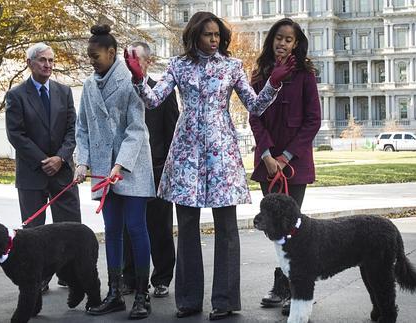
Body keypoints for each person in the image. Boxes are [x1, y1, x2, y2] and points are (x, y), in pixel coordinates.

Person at [125, 11, 295, 321]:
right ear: (194, 36)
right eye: (208, 34)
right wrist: (138, 79)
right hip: (186, 155)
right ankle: (188, 300)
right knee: (187, 227)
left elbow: (255, 106)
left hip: (222, 156)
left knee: (227, 229)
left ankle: (226, 300)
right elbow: (153, 100)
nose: (214, 39)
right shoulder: (178, 66)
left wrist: (272, 84)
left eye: (217, 34)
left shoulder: (231, 67)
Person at [74, 25, 155, 320]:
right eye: (89, 57)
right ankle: (115, 293)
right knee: (112, 231)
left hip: (131, 168)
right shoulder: (87, 85)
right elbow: (82, 128)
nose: (91, 61)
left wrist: (119, 165)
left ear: (111, 53)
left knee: (135, 227)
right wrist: (82, 162)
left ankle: (143, 295)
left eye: (95, 56)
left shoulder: (131, 81)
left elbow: (136, 129)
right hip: (102, 170)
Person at [249, 18, 321, 316]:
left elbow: (312, 121)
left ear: (296, 44)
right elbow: (255, 116)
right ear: (272, 40)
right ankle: (281, 288)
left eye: (289, 40)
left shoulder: (305, 76)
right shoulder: (260, 74)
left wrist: (286, 156)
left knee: (291, 229)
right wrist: (267, 154)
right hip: (267, 164)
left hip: (294, 163)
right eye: (279, 38)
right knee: (275, 229)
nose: (282, 43)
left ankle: (294, 290)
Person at [5, 42, 81, 292]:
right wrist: (43, 161)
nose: (48, 65)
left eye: (51, 60)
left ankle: (69, 275)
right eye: (42, 60)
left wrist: (60, 157)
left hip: (62, 172)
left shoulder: (64, 91)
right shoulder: (16, 95)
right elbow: (16, 134)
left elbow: (73, 129)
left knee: (69, 227)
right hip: (31, 174)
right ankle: (38, 278)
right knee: (34, 232)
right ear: (29, 63)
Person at [121, 41, 179, 299]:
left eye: (138, 60)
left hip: (157, 168)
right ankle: (130, 277)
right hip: (128, 170)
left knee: (160, 227)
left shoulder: (162, 92)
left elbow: (173, 130)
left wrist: (168, 166)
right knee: (129, 226)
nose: (132, 65)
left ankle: (162, 278)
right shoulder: (122, 91)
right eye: (128, 60)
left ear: (149, 62)